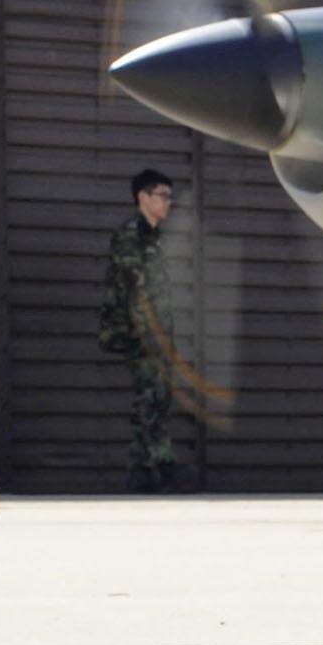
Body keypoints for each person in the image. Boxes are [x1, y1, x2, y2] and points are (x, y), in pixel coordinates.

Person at [100, 169, 193, 493]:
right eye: (162, 195)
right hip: (140, 333)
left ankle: (140, 471)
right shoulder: (131, 236)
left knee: (152, 396)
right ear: (143, 197)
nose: (168, 202)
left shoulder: (153, 237)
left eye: (170, 196)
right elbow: (134, 290)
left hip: (155, 333)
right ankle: (163, 464)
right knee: (153, 397)